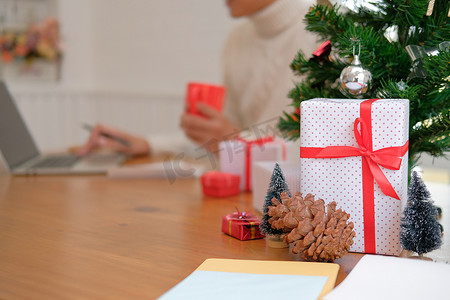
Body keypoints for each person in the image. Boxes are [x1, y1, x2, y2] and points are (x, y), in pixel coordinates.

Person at [77, 0, 317, 158]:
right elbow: (222, 139)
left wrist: (237, 141)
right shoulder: (237, 41)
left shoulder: (329, 31)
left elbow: (331, 153)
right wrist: (150, 144)